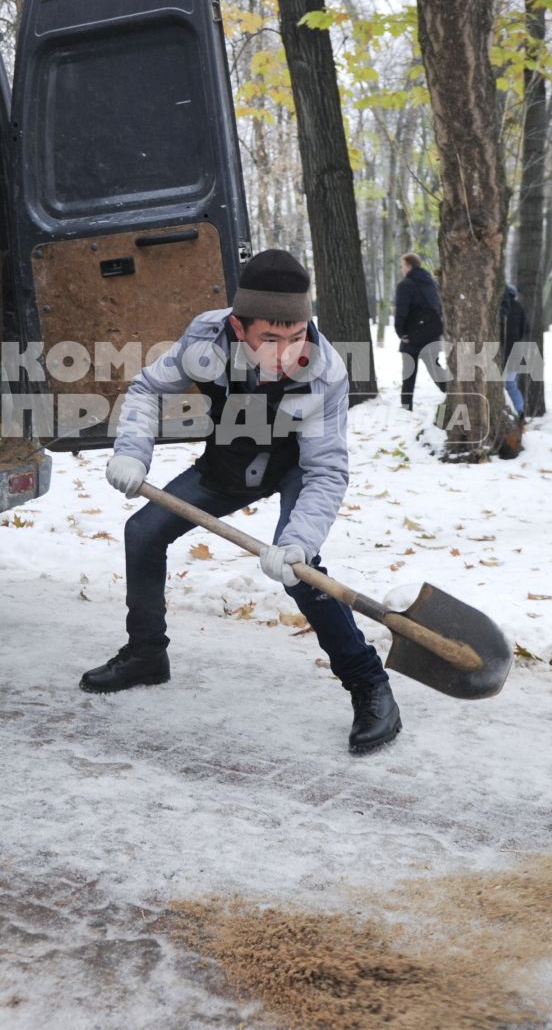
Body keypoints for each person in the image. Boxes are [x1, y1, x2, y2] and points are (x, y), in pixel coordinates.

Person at [83, 249, 401, 755]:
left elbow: (326, 470)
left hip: (297, 467)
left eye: (296, 337)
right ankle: (146, 653)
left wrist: (297, 542)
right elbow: (146, 388)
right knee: (143, 532)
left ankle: (369, 684)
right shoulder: (204, 339)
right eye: (269, 340)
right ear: (238, 327)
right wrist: (132, 452)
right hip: (231, 462)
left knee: (301, 571)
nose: (286, 354)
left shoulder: (325, 372)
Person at [393, 253, 447, 411]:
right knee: (436, 371)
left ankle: (406, 408)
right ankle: (453, 394)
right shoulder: (431, 282)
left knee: (408, 375)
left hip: (412, 336)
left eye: (403, 266)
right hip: (432, 334)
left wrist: (400, 332)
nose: (402, 269)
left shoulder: (405, 285)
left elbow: (401, 311)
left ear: (409, 266)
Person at [498, 283, 528, 416]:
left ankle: (519, 413)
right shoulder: (518, 307)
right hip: (516, 351)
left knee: (508, 384)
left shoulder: (498, 308)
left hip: (503, 351)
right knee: (511, 384)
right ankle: (520, 411)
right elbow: (525, 329)